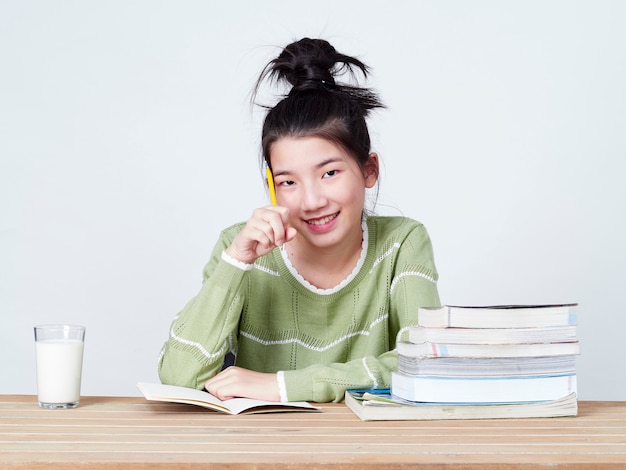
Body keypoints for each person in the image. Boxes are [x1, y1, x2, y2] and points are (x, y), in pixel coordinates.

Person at [158, 38, 440, 403]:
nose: (311, 201)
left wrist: (282, 386)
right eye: (288, 182)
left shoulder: (403, 242)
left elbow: (423, 361)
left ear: (368, 170)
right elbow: (178, 378)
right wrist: (235, 264)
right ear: (271, 187)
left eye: (330, 173)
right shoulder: (239, 247)